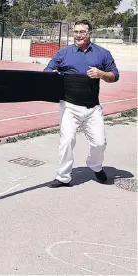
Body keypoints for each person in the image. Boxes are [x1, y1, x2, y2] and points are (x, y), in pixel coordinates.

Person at [44, 19, 119, 188]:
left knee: (100, 143)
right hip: (69, 106)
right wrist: (53, 73)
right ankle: (63, 177)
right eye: (76, 32)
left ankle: (95, 165)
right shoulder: (64, 53)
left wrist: (101, 73)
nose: (78, 35)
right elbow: (48, 70)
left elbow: (114, 76)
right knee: (67, 140)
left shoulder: (102, 53)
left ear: (90, 33)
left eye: (82, 32)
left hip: (93, 108)